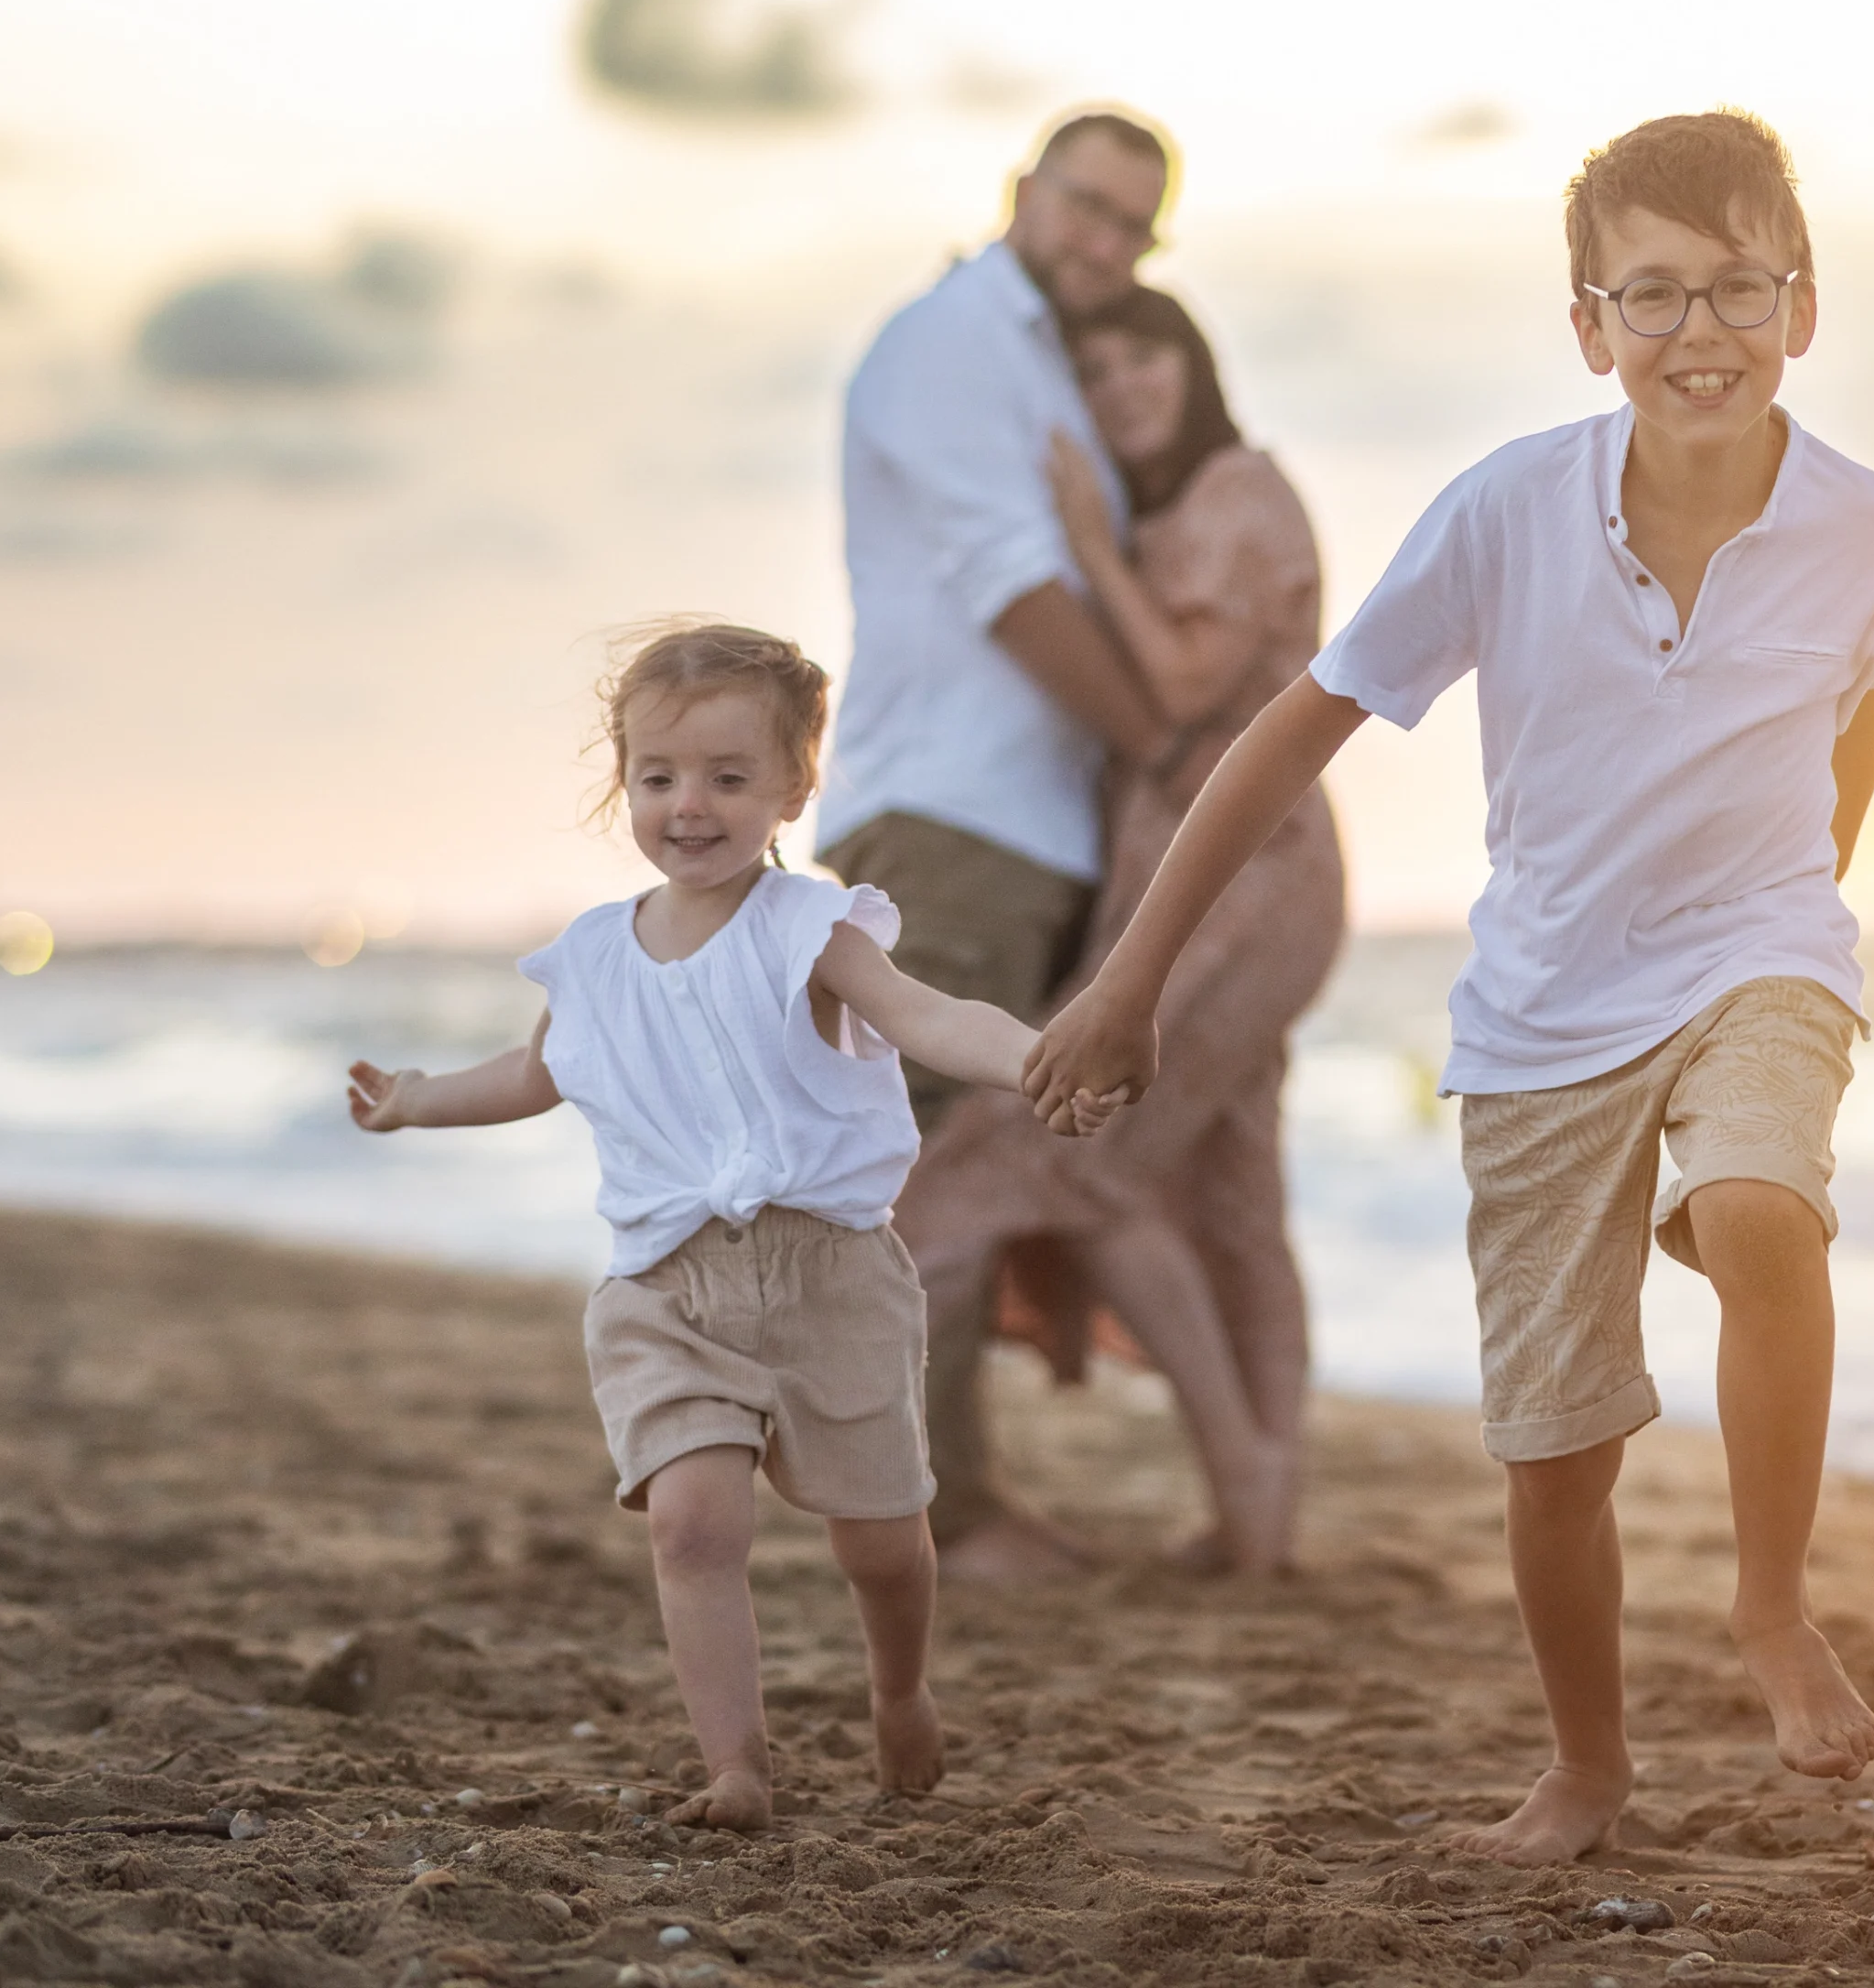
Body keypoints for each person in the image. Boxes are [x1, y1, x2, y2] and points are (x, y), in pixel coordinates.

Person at [1023, 111, 1874, 1863]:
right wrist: (1134, 976)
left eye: (1740, 288)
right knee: (1554, 1461)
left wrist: (1813, 875)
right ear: (1589, 326)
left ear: (1802, 307)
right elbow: (1294, 729)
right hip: (1539, 1009)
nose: (1701, 333)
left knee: (1760, 1210)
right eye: (1651, 296)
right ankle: (1588, 1771)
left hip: (1761, 947)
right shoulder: (1503, 512)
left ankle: (1767, 1608)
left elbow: (1869, 694)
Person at [345, 624, 1115, 1834]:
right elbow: (538, 1073)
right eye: (659, 777)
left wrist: (1039, 1061)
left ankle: (899, 1689)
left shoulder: (810, 929)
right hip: (665, 1286)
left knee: (883, 1542)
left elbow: (930, 1016)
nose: (688, 806)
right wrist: (417, 1100)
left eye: (727, 777)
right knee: (696, 1525)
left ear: (794, 789)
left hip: (832, 1279)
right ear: (625, 780)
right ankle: (736, 1767)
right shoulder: (595, 954)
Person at [892, 287, 1344, 1577]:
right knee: (1232, 1189)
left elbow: (1192, 684)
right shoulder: (1180, 514)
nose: (1119, 386)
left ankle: (1254, 1482)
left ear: (1192, 365)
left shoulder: (1236, 493)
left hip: (1246, 876)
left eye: (1142, 356)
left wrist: (1086, 542)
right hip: (1205, 871)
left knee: (1082, 1162)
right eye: (1090, 371)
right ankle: (1262, 1524)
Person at [817, 109, 1186, 1584]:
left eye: (1134, 227)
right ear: (1024, 190)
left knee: (948, 1163)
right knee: (912, 1173)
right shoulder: (960, 337)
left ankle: (928, 1492)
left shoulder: (1045, 355)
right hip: (955, 811)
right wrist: (1167, 752)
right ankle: (939, 1516)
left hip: (1015, 820)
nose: (1106, 241)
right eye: (1088, 206)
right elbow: (1016, 590)